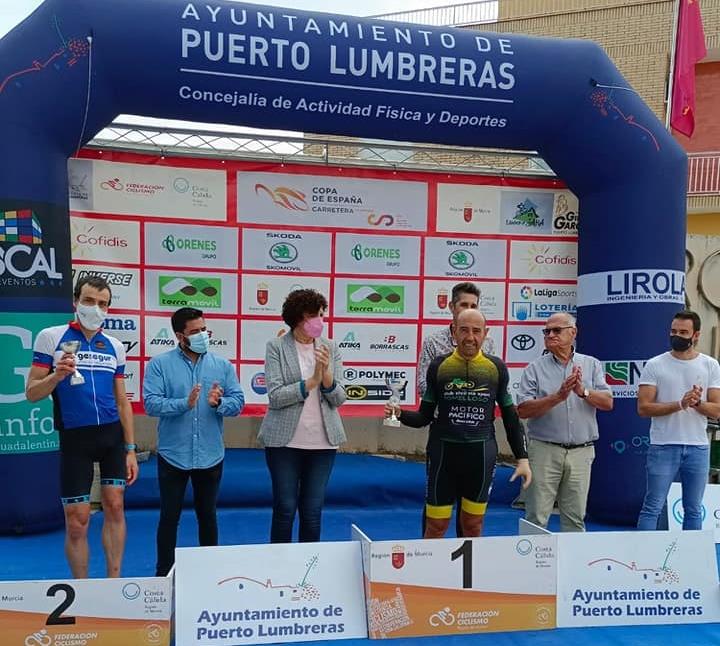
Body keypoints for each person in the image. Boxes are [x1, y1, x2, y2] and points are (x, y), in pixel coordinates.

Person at [26, 276, 139, 578]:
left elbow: (122, 401)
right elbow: (32, 392)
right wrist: (56, 376)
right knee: (77, 521)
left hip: (112, 437)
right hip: (75, 439)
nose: (95, 308)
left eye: (103, 303)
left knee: (115, 506)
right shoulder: (51, 337)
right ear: (75, 301)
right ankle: (82, 589)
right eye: (89, 301)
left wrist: (130, 449)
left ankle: (113, 581)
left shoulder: (114, 346)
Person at [386, 309, 531, 538]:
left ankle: (469, 564)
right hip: (443, 455)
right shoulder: (439, 366)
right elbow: (424, 416)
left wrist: (522, 457)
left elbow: (510, 416)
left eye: (476, 331)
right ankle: (430, 563)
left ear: (485, 333)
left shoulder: (496, 368)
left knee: (472, 525)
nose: (470, 337)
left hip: (481, 455)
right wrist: (399, 413)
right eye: (464, 330)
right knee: (435, 526)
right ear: (454, 332)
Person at [143, 307, 245, 576]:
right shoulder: (159, 364)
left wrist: (219, 403)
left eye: (204, 330)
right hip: (173, 454)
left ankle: (210, 574)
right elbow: (151, 404)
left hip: (210, 454)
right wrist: (184, 403)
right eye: (195, 331)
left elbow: (238, 402)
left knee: (208, 515)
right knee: (169, 518)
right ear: (180, 336)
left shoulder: (222, 365)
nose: (203, 335)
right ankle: (163, 575)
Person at [259, 288, 346, 543]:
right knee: (285, 508)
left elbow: (339, 397)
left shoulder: (330, 347)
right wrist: (311, 382)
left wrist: (325, 375)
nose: (319, 320)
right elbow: (276, 396)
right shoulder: (276, 347)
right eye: (313, 315)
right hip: (284, 442)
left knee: (312, 512)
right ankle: (279, 563)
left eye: (322, 314)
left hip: (323, 443)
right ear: (298, 317)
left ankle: (309, 564)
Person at [517, 312, 613, 532]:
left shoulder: (591, 365)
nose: (550, 335)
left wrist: (583, 392)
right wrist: (557, 398)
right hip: (544, 450)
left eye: (556, 330)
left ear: (573, 333)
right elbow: (523, 410)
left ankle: (573, 556)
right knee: (536, 517)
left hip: (581, 452)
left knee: (575, 519)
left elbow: (608, 402)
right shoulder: (534, 368)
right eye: (547, 331)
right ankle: (534, 556)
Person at [417, 282, 493, 537]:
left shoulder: (488, 344)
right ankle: (428, 557)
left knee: (471, 515)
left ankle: (466, 558)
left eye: (474, 305)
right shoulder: (433, 342)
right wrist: (453, 385)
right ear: (451, 307)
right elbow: (422, 385)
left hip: (476, 437)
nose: (468, 309)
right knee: (435, 508)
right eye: (463, 305)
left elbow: (490, 387)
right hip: (444, 435)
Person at [636, 310, 720, 531]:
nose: (677, 336)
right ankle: (642, 552)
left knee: (693, 509)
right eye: (673, 331)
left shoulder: (710, 365)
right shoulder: (655, 364)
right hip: (663, 445)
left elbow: (717, 410)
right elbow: (643, 408)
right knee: (652, 506)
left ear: (696, 335)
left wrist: (696, 403)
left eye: (683, 332)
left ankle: (691, 552)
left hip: (698, 447)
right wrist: (680, 404)